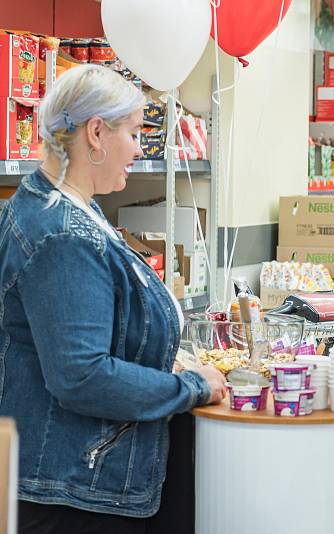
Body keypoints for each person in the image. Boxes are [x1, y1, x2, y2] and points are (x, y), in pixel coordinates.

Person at [0, 64, 227, 534]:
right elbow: (81, 376)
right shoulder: (63, 236)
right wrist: (191, 388)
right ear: (97, 133)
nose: (139, 148)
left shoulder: (72, 208)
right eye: (134, 132)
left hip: (82, 477)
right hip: (75, 492)